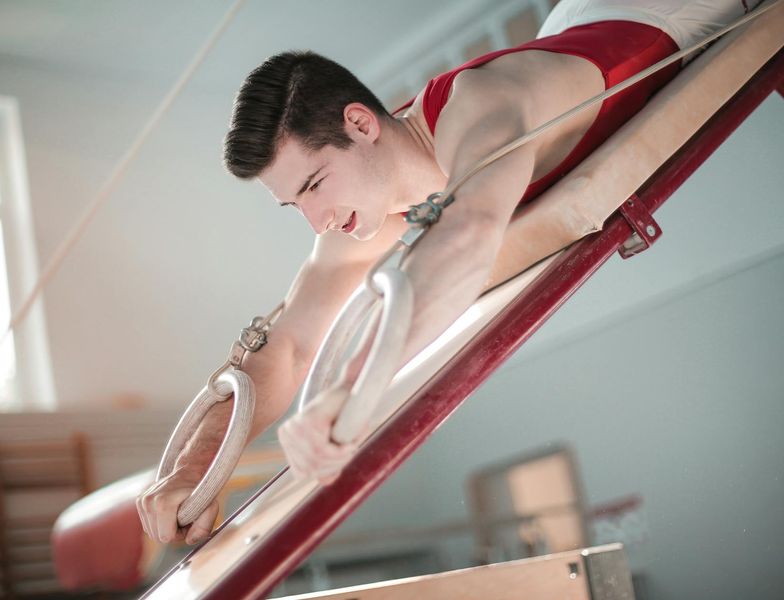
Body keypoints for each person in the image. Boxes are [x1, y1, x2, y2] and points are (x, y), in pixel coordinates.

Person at [137, 0, 758, 546]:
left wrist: (352, 389)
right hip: (577, 21)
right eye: (295, 204)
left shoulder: (481, 106)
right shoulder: (371, 212)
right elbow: (291, 347)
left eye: (315, 185)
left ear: (360, 124)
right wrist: (194, 469)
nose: (317, 220)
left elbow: (471, 232)